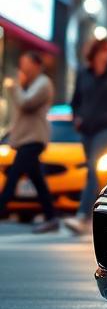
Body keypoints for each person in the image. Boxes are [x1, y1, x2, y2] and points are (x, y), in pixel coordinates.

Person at [66, 36, 107, 235]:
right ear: (95, 52)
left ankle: (81, 216)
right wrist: (76, 117)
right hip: (86, 130)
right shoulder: (83, 74)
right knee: (93, 174)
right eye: (104, 50)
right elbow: (75, 101)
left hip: (106, 129)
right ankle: (105, 217)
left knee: (94, 168)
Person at [0, 51, 59, 232]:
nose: (22, 67)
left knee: (14, 176)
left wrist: (14, 87)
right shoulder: (29, 83)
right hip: (26, 138)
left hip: (33, 138)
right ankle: (51, 217)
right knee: (37, 180)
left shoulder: (43, 83)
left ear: (35, 64)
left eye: (24, 63)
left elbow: (26, 103)